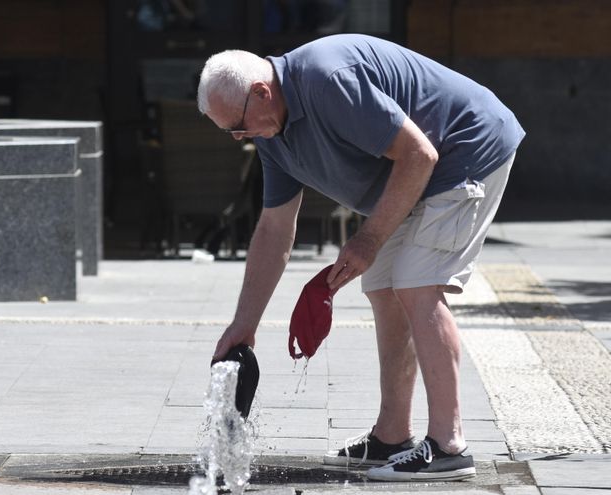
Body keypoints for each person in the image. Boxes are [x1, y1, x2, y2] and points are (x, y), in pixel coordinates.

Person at [198, 34, 524, 481]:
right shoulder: (272, 133)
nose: (240, 137)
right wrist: (244, 325)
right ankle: (392, 436)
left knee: (416, 283)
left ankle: (449, 446)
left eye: (238, 125)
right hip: (413, 176)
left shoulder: (328, 80)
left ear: (261, 92)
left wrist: (368, 239)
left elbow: (419, 152)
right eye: (231, 132)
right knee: (384, 289)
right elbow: (275, 228)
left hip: (463, 149)